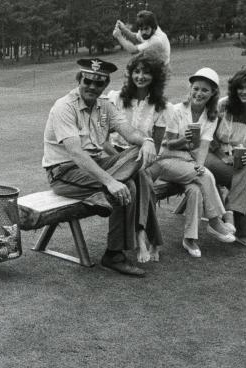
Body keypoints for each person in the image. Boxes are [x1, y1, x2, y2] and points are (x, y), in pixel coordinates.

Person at [42, 57, 160, 277]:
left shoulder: (104, 105)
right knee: (129, 187)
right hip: (64, 172)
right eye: (88, 81)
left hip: (95, 165)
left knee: (137, 152)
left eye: (99, 83)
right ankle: (114, 255)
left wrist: (148, 142)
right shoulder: (64, 107)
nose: (92, 87)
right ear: (79, 80)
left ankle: (104, 198)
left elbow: (129, 132)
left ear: (105, 85)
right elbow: (76, 153)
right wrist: (110, 181)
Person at [156, 67, 235, 258]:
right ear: (190, 89)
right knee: (206, 175)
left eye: (205, 90)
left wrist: (199, 163)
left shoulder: (211, 116)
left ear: (213, 93)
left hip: (186, 162)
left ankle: (189, 239)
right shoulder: (176, 110)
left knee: (196, 188)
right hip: (165, 160)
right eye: (196, 88)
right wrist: (185, 141)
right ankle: (216, 221)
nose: (199, 93)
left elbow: (204, 146)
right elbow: (166, 143)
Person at [104, 52, 171, 263]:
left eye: (146, 73)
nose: (140, 76)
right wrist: (123, 161)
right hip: (114, 156)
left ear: (156, 77)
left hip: (145, 159)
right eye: (137, 71)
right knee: (140, 181)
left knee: (140, 176)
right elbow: (103, 141)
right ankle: (147, 239)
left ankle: (142, 237)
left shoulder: (162, 107)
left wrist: (136, 162)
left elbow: (156, 148)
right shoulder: (114, 98)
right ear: (130, 73)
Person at [204, 68, 246, 249]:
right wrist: (222, 156)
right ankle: (242, 230)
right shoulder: (222, 105)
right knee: (240, 180)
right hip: (210, 153)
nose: (244, 91)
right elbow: (208, 135)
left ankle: (229, 210)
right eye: (240, 87)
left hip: (235, 156)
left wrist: (245, 153)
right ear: (235, 89)